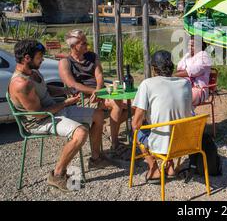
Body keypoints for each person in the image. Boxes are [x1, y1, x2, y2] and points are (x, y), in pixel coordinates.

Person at [8, 40, 110, 192]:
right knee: (80, 132)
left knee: (98, 115)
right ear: (27, 58)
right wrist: (66, 103)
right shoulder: (21, 83)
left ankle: (96, 159)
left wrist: (65, 91)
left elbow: (45, 89)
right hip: (40, 121)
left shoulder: (33, 72)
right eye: (39, 57)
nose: (42, 59)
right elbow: (39, 115)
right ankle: (57, 174)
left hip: (54, 110)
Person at [58, 30, 128, 154]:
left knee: (132, 105)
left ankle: (111, 128)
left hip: (100, 93)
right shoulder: (65, 62)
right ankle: (115, 143)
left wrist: (98, 91)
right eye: (83, 43)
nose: (87, 45)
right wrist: (93, 92)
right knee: (117, 103)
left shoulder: (92, 56)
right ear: (74, 46)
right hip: (82, 99)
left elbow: (99, 75)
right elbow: (72, 84)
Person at [132, 51, 193, 183]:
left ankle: (153, 169)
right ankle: (170, 167)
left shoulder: (147, 84)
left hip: (163, 144)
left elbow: (136, 124)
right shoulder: (185, 83)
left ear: (154, 69)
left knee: (138, 131)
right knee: (170, 121)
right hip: (186, 143)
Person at [174, 35, 212, 107]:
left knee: (180, 99)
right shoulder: (187, 55)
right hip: (184, 87)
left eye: (192, 46)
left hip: (199, 89)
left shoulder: (204, 56)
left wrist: (174, 75)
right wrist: (182, 72)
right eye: (188, 45)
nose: (189, 48)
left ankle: (187, 115)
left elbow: (193, 71)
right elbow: (179, 67)